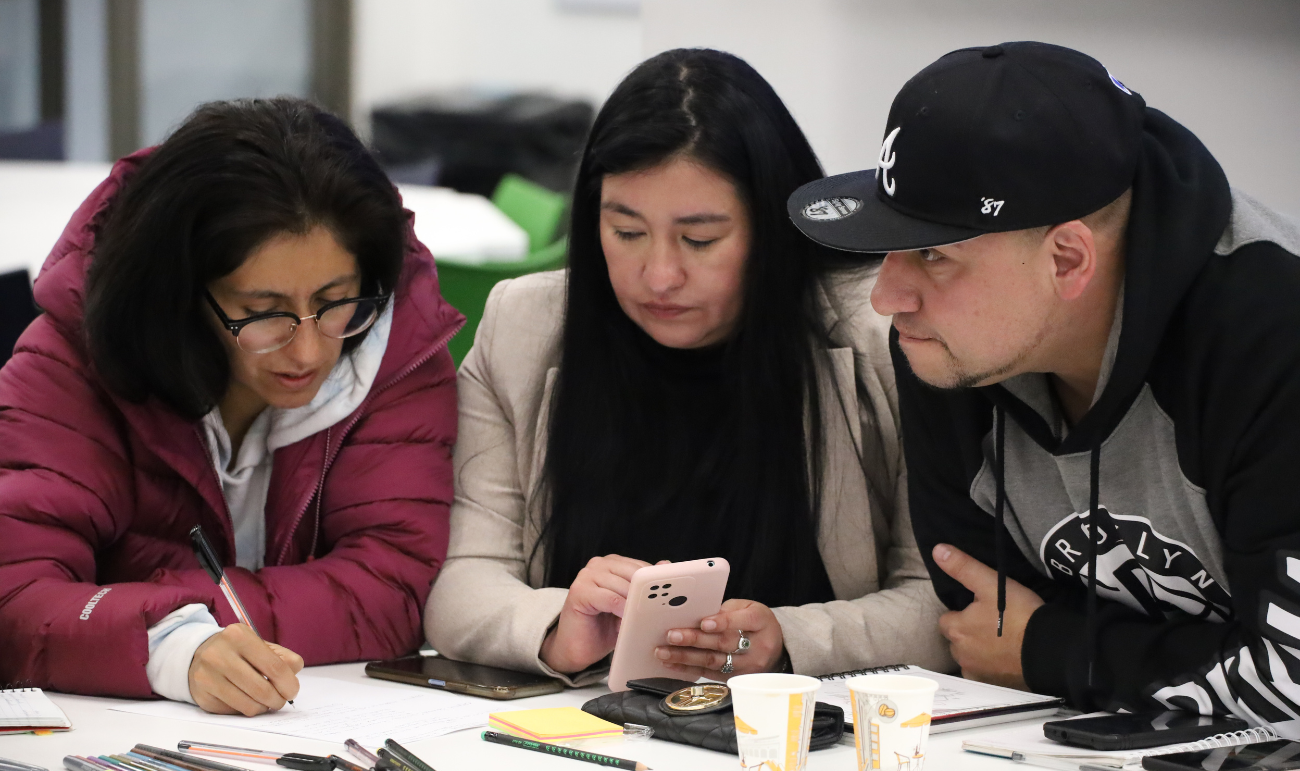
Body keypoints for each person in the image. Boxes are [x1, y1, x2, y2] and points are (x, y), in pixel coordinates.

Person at [788, 41, 1300, 728]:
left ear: (1066, 259)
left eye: (933, 254)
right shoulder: (949, 346)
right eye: (892, 244)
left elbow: (1291, 682)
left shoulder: (1270, 340)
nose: (887, 296)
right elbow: (981, 621)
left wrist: (1058, 647)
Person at [425, 48, 951, 686]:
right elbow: (461, 583)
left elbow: (942, 601)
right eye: (625, 232)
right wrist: (558, 625)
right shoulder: (525, 328)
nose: (660, 276)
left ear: (772, 230)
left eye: (700, 240)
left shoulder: (880, 336)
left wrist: (794, 640)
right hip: (580, 728)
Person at [0, 98, 463, 714]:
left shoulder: (393, 350)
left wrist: (142, 613)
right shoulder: (70, 363)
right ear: (182, 292)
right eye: (261, 311)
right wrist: (171, 645)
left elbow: (391, 591)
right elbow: (15, 602)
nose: (307, 350)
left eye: (334, 300)